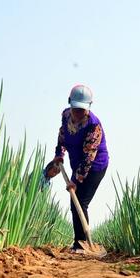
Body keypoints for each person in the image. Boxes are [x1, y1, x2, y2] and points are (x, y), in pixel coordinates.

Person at [45, 85, 109, 252]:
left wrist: (75, 180)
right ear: (70, 104)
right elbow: (62, 135)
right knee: (75, 202)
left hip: (95, 166)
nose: (79, 113)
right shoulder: (66, 115)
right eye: (76, 109)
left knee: (80, 201)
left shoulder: (93, 126)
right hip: (77, 163)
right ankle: (79, 243)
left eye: (82, 109)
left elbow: (88, 158)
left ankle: (81, 244)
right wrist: (59, 154)